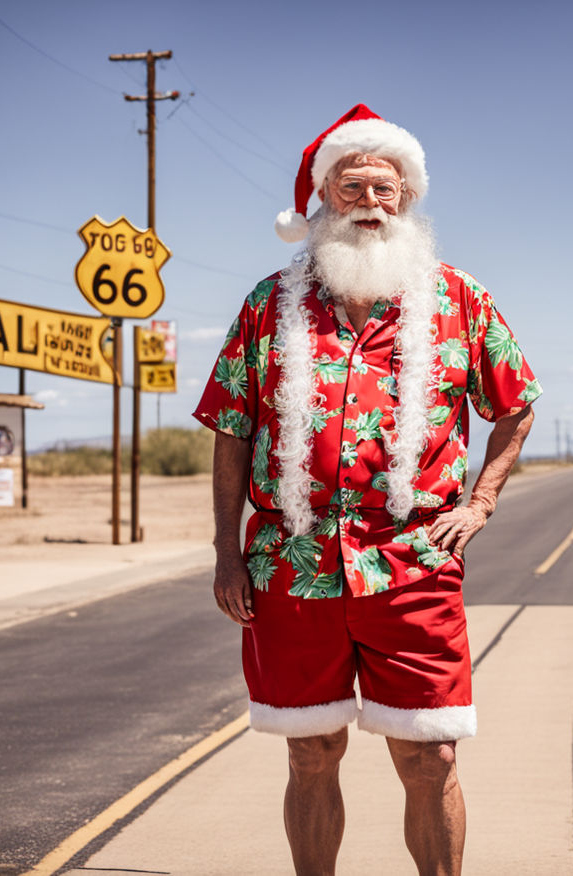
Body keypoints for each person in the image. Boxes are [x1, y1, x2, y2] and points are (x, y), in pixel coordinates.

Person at [193, 103, 541, 876]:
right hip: (292, 563)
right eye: (355, 189)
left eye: (388, 190)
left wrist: (479, 502)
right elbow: (231, 427)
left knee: (432, 757)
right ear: (324, 200)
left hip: (414, 562)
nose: (373, 205)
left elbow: (516, 402)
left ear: (409, 199)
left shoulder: (461, 300)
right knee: (311, 752)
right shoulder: (268, 306)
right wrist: (225, 551)